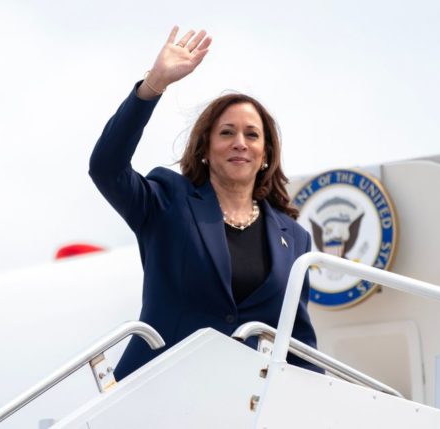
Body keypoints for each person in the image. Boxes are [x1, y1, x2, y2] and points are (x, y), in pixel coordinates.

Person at [89, 26, 320, 380]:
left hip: (243, 404)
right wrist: (153, 85)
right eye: (226, 133)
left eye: (251, 134)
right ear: (206, 150)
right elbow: (106, 167)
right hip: (157, 393)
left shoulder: (294, 238)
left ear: (265, 154)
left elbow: (297, 342)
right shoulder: (167, 200)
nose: (240, 142)